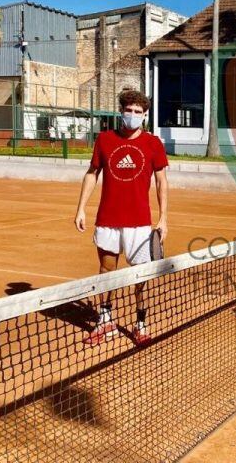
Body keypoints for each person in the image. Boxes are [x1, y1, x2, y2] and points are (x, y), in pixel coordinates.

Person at [74, 89, 168, 347]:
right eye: (129, 111)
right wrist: (81, 208)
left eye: (138, 112)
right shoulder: (104, 140)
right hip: (107, 220)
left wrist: (164, 218)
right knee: (107, 272)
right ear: (121, 112)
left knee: (140, 276)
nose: (133, 115)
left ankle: (140, 324)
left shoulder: (153, 144)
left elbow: (161, 181)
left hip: (139, 223)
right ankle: (105, 321)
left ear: (145, 115)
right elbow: (92, 173)